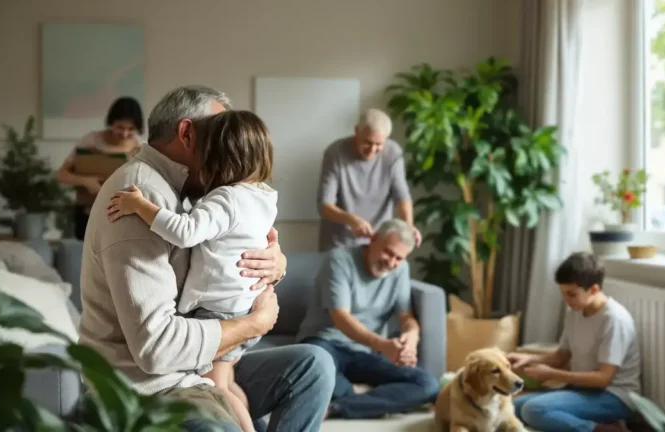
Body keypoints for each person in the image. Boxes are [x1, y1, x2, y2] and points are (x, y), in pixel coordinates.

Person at [78, 86, 335, 432]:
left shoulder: (193, 190)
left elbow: (228, 244)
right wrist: (254, 324)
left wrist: (274, 265)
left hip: (195, 365)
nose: (230, 150)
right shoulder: (139, 197)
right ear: (187, 134)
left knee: (314, 365)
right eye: (221, 135)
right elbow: (156, 350)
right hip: (150, 386)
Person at [105, 110, 277, 432]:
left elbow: (185, 231)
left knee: (220, 390)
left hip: (217, 312)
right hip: (244, 303)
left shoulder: (227, 198)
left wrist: (140, 206)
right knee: (226, 384)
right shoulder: (265, 197)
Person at [297, 218, 440, 419]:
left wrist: (411, 338)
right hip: (324, 344)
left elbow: (406, 316)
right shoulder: (339, 260)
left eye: (399, 258)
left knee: (428, 384)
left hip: (366, 354)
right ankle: (366, 399)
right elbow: (341, 318)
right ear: (373, 239)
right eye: (388, 252)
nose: (391, 263)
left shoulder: (400, 269)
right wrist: (382, 345)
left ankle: (338, 406)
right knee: (318, 378)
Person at [507, 252, 641, 432]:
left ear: (594, 289)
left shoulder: (614, 319)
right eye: (563, 294)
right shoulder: (575, 312)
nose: (566, 301)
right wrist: (529, 359)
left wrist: (552, 374)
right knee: (513, 408)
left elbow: (603, 379)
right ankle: (605, 424)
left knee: (533, 410)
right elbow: (561, 356)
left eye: (572, 294)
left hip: (614, 396)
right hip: (583, 390)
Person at [317, 108, 421, 251]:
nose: (372, 150)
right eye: (367, 142)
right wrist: (351, 220)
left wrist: (408, 226)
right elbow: (324, 206)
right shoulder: (335, 153)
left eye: (379, 145)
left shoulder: (393, 153)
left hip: (378, 241)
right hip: (339, 243)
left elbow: (401, 196)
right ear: (356, 131)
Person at [57, 96, 145, 240]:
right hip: (88, 212)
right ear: (111, 122)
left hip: (123, 216)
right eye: (120, 127)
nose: (124, 133)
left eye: (130, 129)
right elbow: (61, 175)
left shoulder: (141, 147)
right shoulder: (91, 141)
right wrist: (87, 181)